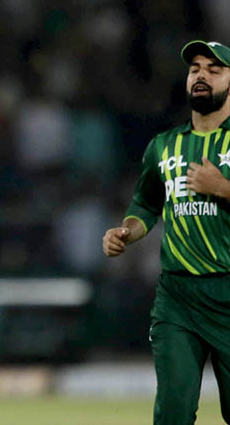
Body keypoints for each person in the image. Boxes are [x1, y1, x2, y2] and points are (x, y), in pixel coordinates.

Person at [103, 40, 230, 424]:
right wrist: (127, 230)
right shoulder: (163, 145)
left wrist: (221, 187)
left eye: (214, 68)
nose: (201, 75)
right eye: (195, 69)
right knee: (172, 413)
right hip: (178, 298)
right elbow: (145, 204)